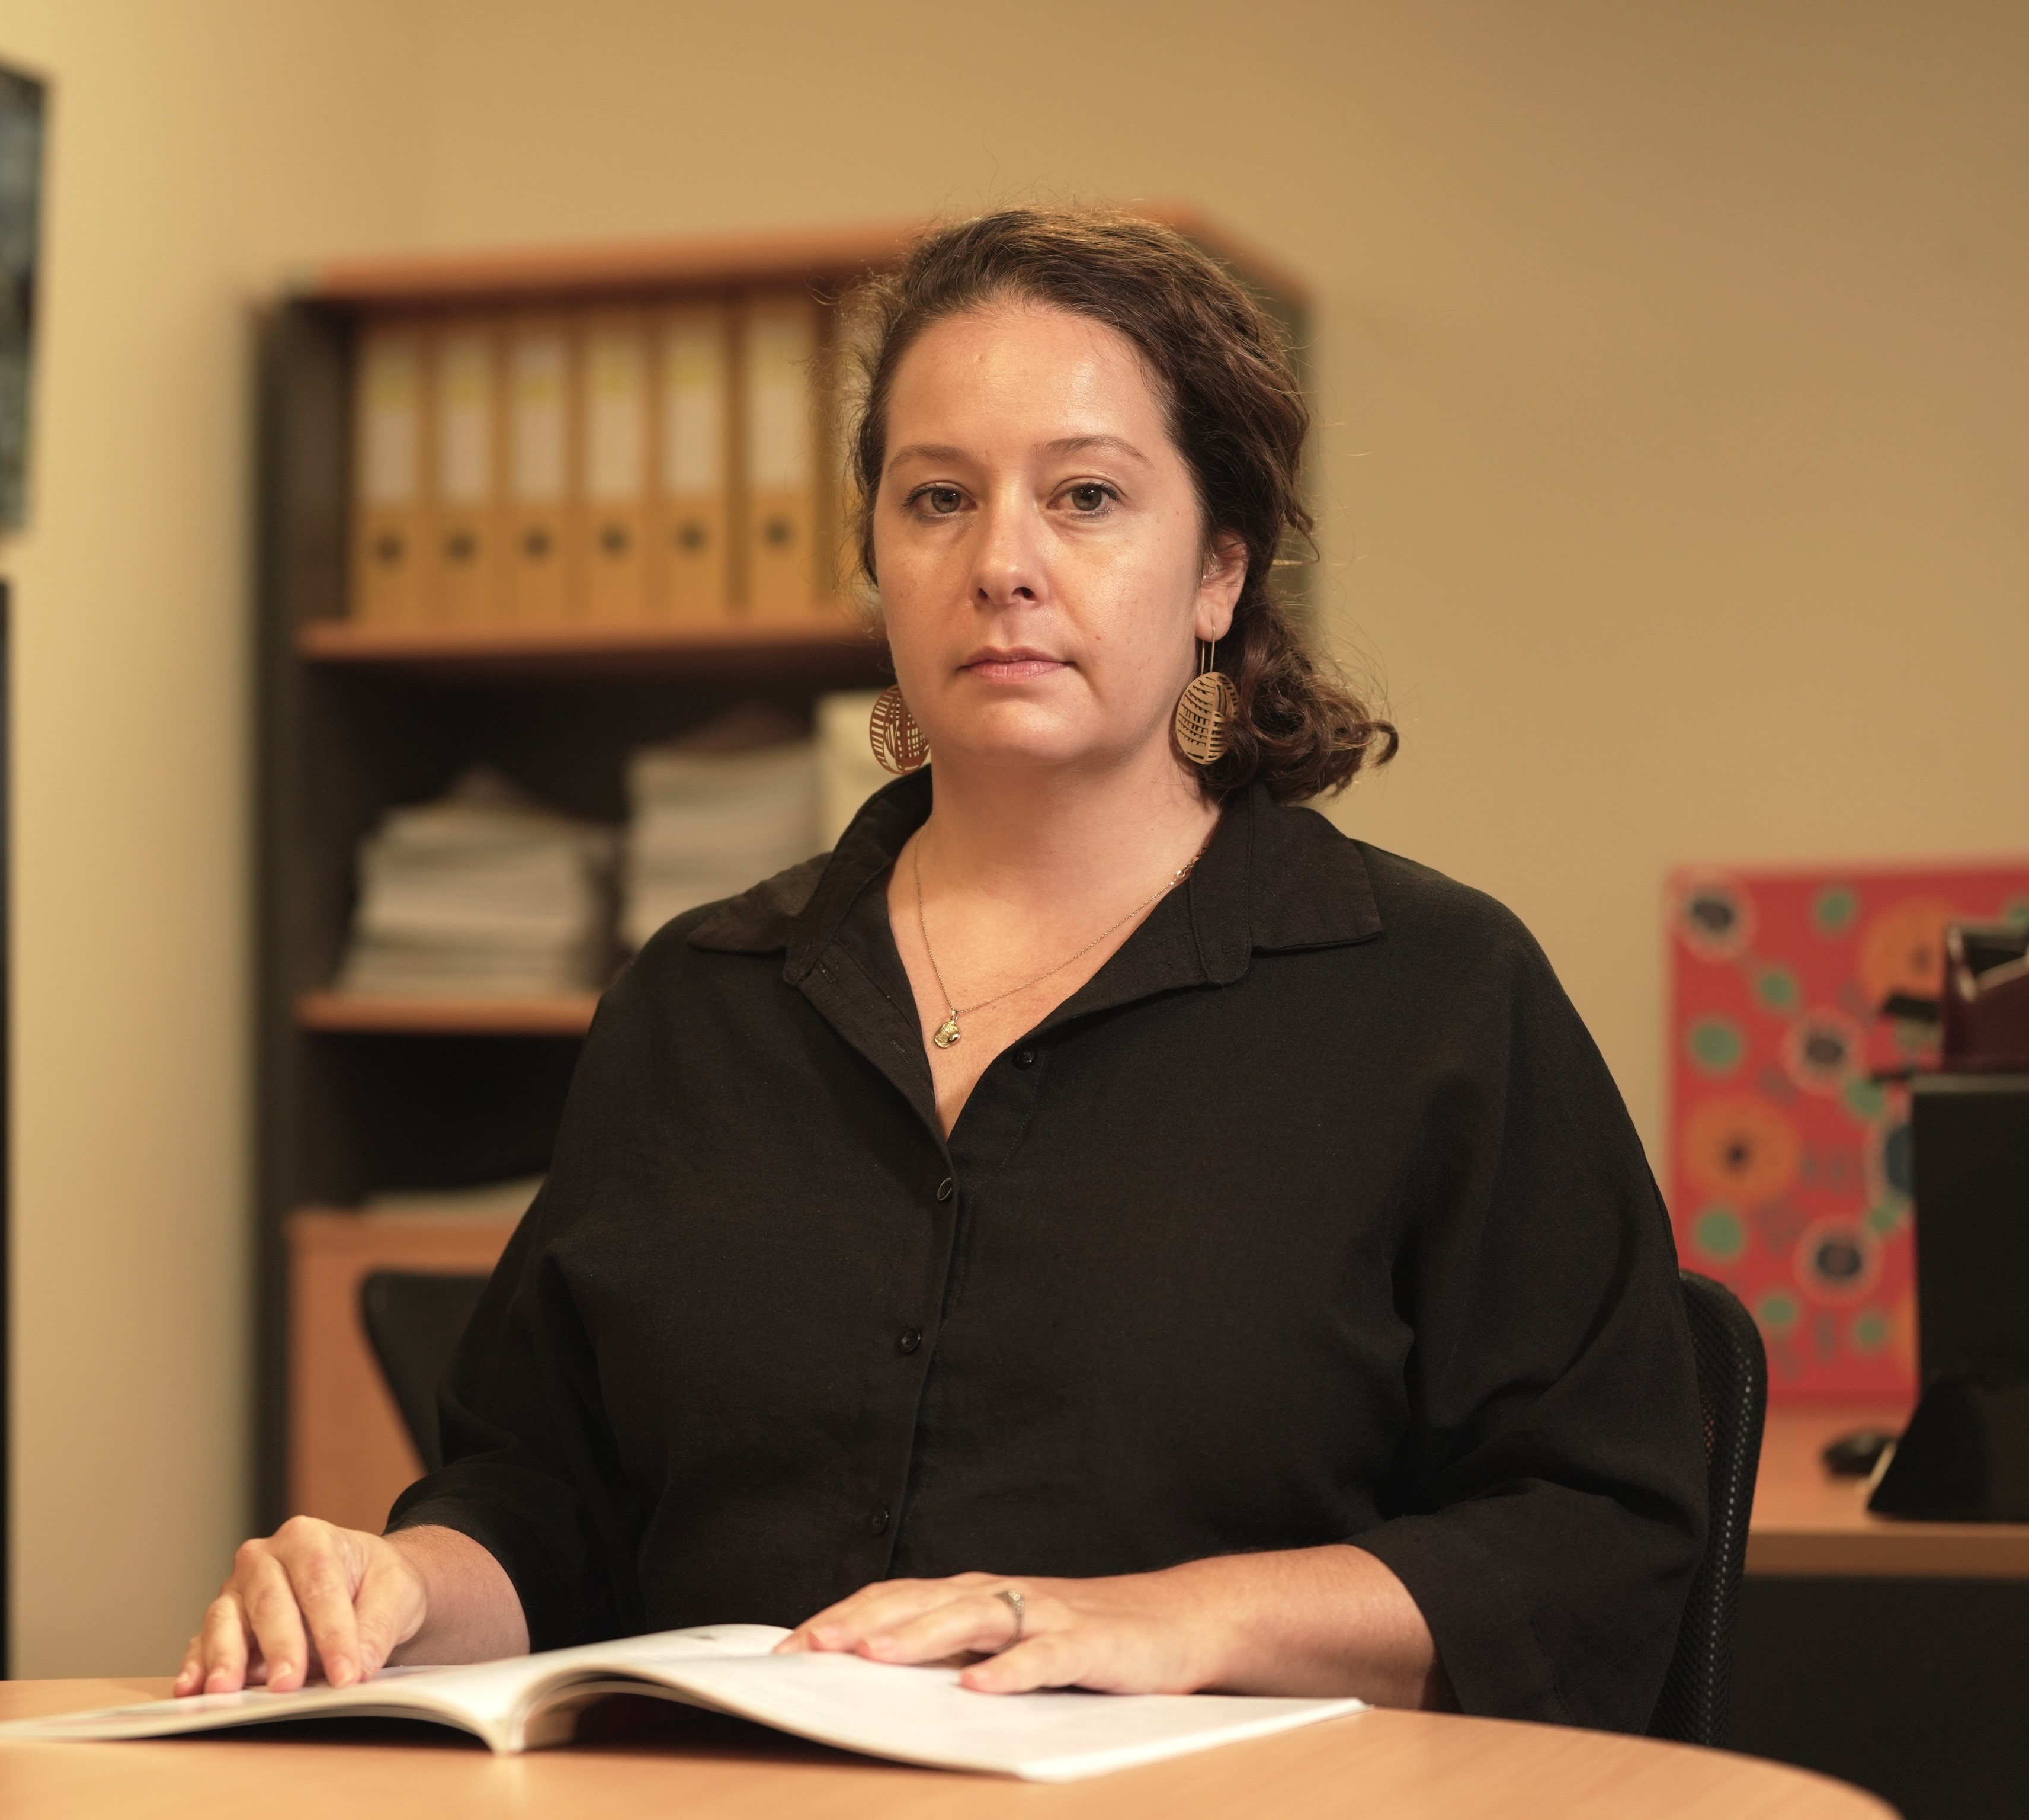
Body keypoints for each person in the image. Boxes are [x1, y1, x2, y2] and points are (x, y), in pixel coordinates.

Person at [180, 208, 1707, 1729]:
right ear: (877, 563)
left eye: (1089, 495)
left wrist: (1159, 1622)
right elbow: (550, 1504)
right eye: (937, 500)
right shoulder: (695, 1005)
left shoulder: (1437, 999)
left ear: (1221, 574)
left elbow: (1597, 1539)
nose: (1002, 564)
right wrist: (395, 1585)